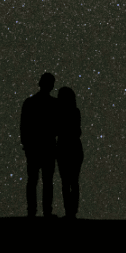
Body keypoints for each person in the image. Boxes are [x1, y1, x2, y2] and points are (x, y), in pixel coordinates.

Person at [20, 72, 58, 218]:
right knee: (46, 181)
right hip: (47, 147)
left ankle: (32, 211)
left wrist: (26, 145)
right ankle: (46, 211)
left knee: (33, 180)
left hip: (35, 147)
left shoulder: (29, 102)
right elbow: (58, 126)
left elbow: (24, 127)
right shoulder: (55, 104)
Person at [56, 87, 84, 220]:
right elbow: (78, 132)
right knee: (73, 182)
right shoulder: (75, 111)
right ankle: (72, 212)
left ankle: (70, 212)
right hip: (73, 149)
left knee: (67, 182)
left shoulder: (59, 113)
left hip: (64, 149)